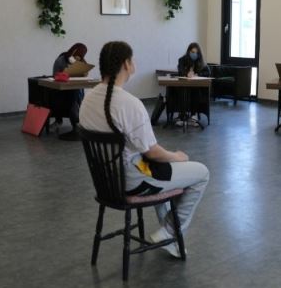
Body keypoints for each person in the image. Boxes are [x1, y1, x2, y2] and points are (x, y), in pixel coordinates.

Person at [79, 41, 209, 257]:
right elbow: (152, 152)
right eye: (132, 60)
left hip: (106, 181)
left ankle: (170, 236)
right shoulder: (129, 104)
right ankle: (170, 231)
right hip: (132, 181)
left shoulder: (87, 100)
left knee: (160, 170)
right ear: (126, 64)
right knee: (201, 173)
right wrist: (177, 156)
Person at [51, 43, 88, 133]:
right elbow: (55, 75)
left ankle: (76, 124)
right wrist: (65, 73)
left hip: (75, 88)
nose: (78, 58)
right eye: (77, 55)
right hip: (62, 88)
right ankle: (72, 123)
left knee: (75, 94)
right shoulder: (61, 60)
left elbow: (85, 74)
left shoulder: (81, 61)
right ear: (73, 51)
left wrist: (84, 72)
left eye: (81, 56)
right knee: (73, 96)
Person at [173, 42, 210, 125]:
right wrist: (187, 74)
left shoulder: (201, 61)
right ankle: (182, 115)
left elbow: (208, 72)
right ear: (188, 51)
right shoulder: (182, 60)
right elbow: (180, 71)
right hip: (184, 85)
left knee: (195, 90)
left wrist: (197, 74)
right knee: (182, 90)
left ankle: (193, 115)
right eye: (192, 52)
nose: (194, 54)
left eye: (196, 53)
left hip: (195, 86)